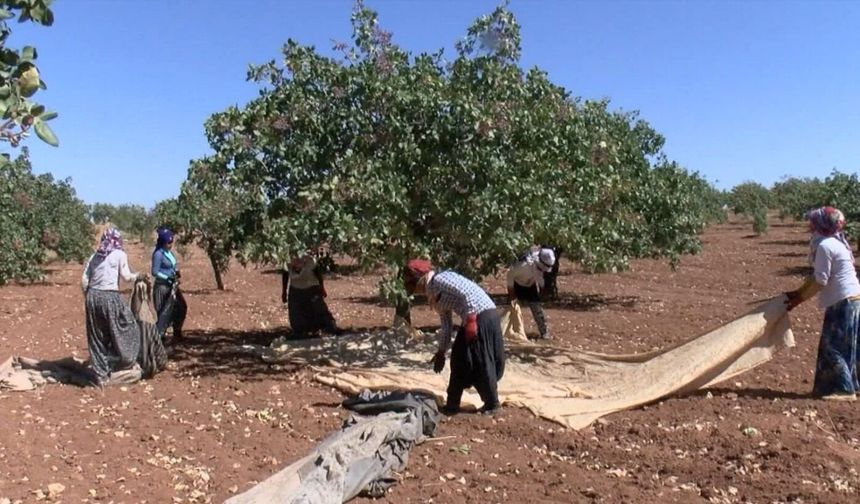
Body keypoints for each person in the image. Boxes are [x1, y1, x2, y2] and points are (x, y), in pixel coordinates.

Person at [404, 259, 505, 414]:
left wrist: (471, 320)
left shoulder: (440, 279)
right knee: (460, 359)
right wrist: (441, 352)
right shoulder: (434, 293)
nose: (414, 289)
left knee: (481, 358)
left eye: (412, 283)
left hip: (482, 316)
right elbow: (446, 325)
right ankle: (452, 405)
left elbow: (467, 292)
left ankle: (492, 404)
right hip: (474, 317)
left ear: (420, 277)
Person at [785, 206, 860, 401]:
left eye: (813, 222)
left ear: (821, 225)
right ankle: (854, 384)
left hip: (842, 301)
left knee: (832, 346)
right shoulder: (837, 243)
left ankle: (843, 389)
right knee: (850, 344)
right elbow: (817, 277)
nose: (810, 226)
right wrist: (797, 293)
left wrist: (798, 300)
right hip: (853, 298)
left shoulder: (825, 246)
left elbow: (820, 281)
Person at [81, 227, 145, 386]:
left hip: (92, 297)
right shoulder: (119, 255)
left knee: (97, 337)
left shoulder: (94, 256)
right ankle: (125, 360)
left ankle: (100, 375)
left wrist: (89, 299)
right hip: (110, 296)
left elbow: (84, 280)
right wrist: (138, 276)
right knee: (127, 327)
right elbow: (126, 277)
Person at [282, 254, 337, 338]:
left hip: (312, 288)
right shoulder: (287, 262)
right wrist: (284, 292)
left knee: (319, 309)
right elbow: (285, 275)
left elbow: (318, 274)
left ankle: (330, 328)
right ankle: (299, 332)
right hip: (295, 289)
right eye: (294, 262)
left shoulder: (310, 261)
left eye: (298, 262)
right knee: (295, 312)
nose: (296, 264)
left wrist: (322, 288)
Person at [507, 246, 556, 340]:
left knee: (537, 309)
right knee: (512, 310)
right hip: (517, 284)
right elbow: (510, 275)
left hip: (531, 285)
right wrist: (511, 294)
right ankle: (509, 331)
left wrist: (542, 291)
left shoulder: (540, 267)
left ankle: (544, 332)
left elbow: (540, 279)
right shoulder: (522, 265)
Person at [151, 227, 187, 341]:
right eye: (168, 242)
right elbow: (155, 272)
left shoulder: (169, 253)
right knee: (163, 313)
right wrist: (167, 277)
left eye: (171, 242)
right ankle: (159, 338)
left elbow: (172, 265)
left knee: (182, 307)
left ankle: (177, 331)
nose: (170, 244)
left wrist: (176, 271)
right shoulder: (158, 254)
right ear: (163, 242)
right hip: (162, 287)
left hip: (173, 286)